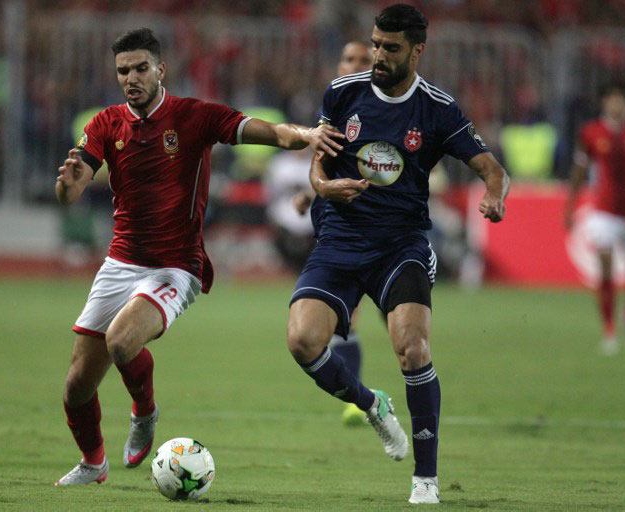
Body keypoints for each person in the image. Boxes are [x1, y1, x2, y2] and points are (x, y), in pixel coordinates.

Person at [53, 27, 343, 487]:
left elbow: (265, 131)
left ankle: (144, 412)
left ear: (160, 69)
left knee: (122, 341)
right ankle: (93, 464)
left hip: (176, 266)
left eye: (140, 68)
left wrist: (306, 134)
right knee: (75, 387)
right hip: (120, 263)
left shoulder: (194, 116)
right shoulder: (106, 124)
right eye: (123, 71)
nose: (131, 78)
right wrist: (67, 184)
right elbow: (71, 191)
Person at [286, 4, 509, 505]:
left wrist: (495, 195)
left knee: (412, 348)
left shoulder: (437, 108)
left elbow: (492, 168)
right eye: (375, 44)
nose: (378, 56)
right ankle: (371, 404)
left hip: (400, 246)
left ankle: (425, 480)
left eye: (390, 48)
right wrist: (326, 188)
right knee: (302, 341)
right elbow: (316, 169)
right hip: (340, 240)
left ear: (416, 50)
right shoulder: (344, 93)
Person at [291, 40, 374, 427]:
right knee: (349, 317)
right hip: (340, 226)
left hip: (383, 228)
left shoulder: (381, 110)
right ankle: (359, 399)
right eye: (349, 60)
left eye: (364, 60)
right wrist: (313, 191)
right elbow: (329, 165)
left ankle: (367, 399)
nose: (355, 66)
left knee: (403, 331)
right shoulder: (335, 107)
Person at [564, 84, 625, 356]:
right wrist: (570, 205)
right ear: (605, 103)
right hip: (604, 213)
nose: (616, 104)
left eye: (620, 100)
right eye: (612, 99)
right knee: (605, 270)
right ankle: (610, 329)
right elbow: (580, 170)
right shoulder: (591, 133)